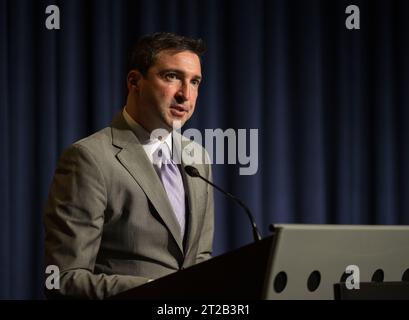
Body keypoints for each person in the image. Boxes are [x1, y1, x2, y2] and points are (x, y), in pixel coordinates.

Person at [44, 32, 214, 299]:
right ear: (135, 81)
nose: (186, 94)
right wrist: (159, 291)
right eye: (172, 77)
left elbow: (199, 258)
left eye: (195, 82)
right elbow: (64, 280)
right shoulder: (89, 159)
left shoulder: (198, 158)